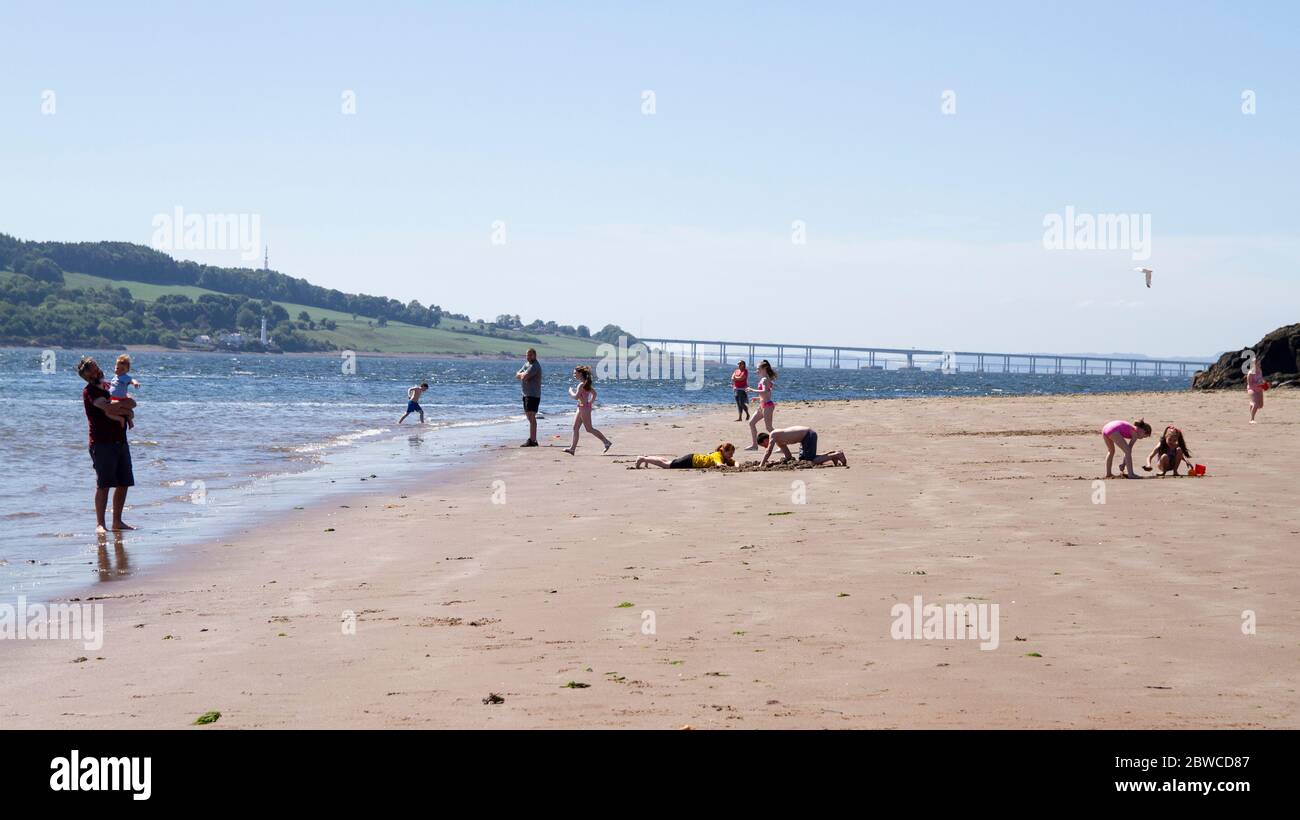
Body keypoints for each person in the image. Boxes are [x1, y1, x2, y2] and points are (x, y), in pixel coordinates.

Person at [77, 356, 136, 533]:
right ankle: (100, 524)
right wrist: (123, 408)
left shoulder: (109, 386)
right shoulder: (89, 392)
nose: (97, 371)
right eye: (92, 371)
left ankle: (117, 521)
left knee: (124, 482)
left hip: (120, 440)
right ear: (87, 377)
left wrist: (124, 407)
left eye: (96, 367)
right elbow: (109, 408)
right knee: (103, 484)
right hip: (101, 443)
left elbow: (131, 402)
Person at [563, 364, 612, 455]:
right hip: (582, 407)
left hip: (584, 408)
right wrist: (590, 402)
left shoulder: (582, 384)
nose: (574, 374)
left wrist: (570, 391)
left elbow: (576, 396)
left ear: (580, 373)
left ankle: (606, 442)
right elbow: (594, 394)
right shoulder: (585, 383)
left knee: (589, 429)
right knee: (575, 428)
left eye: (575, 373)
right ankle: (572, 449)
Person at [756, 427, 847, 467]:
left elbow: (768, 451)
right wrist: (776, 462)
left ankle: (837, 455)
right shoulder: (779, 442)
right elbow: (788, 457)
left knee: (810, 461)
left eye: (763, 445)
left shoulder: (773, 434)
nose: (764, 447)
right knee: (803, 459)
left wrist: (761, 464)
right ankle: (831, 455)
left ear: (765, 440)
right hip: (805, 438)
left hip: (809, 435)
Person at [744, 360, 777, 450]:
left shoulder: (764, 379)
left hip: (767, 406)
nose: (756, 371)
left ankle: (782, 445)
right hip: (762, 406)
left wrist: (752, 389)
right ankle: (754, 445)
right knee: (751, 423)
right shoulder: (766, 379)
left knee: (769, 427)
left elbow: (765, 391)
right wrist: (757, 398)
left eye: (758, 369)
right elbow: (766, 394)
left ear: (764, 368)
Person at [636, 443, 736, 469]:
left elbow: (734, 462)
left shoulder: (723, 457)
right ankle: (643, 458)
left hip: (692, 458)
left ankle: (647, 458)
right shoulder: (718, 456)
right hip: (691, 461)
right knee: (666, 465)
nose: (731, 456)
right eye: (730, 453)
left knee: (668, 462)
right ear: (723, 451)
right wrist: (726, 466)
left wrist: (736, 465)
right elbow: (719, 464)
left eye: (732, 454)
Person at [516, 348, 542, 446]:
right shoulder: (527, 364)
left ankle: (533, 440)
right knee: (529, 416)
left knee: (531, 416)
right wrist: (522, 375)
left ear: (535, 355)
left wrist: (523, 375)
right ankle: (532, 439)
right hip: (526, 394)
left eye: (530, 355)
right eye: (527, 355)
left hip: (533, 395)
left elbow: (524, 377)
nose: (528, 357)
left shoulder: (535, 366)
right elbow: (517, 375)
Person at [107, 353, 140, 429]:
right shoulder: (115, 377)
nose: (119, 371)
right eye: (117, 368)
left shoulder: (124, 377)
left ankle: (125, 419)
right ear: (115, 367)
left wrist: (135, 383)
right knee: (113, 411)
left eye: (123, 369)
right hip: (113, 398)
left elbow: (131, 379)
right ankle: (128, 419)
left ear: (127, 370)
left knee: (112, 411)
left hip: (120, 399)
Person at [1246, 357, 1266, 423]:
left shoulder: (1260, 370)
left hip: (1259, 388)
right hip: (1252, 389)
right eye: (1257, 364)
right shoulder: (1250, 373)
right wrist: (1258, 384)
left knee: (1261, 405)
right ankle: (1252, 419)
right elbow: (1250, 385)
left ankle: (1252, 403)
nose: (1259, 365)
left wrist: (1264, 384)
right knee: (1256, 404)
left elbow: (1261, 379)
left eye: (1259, 364)